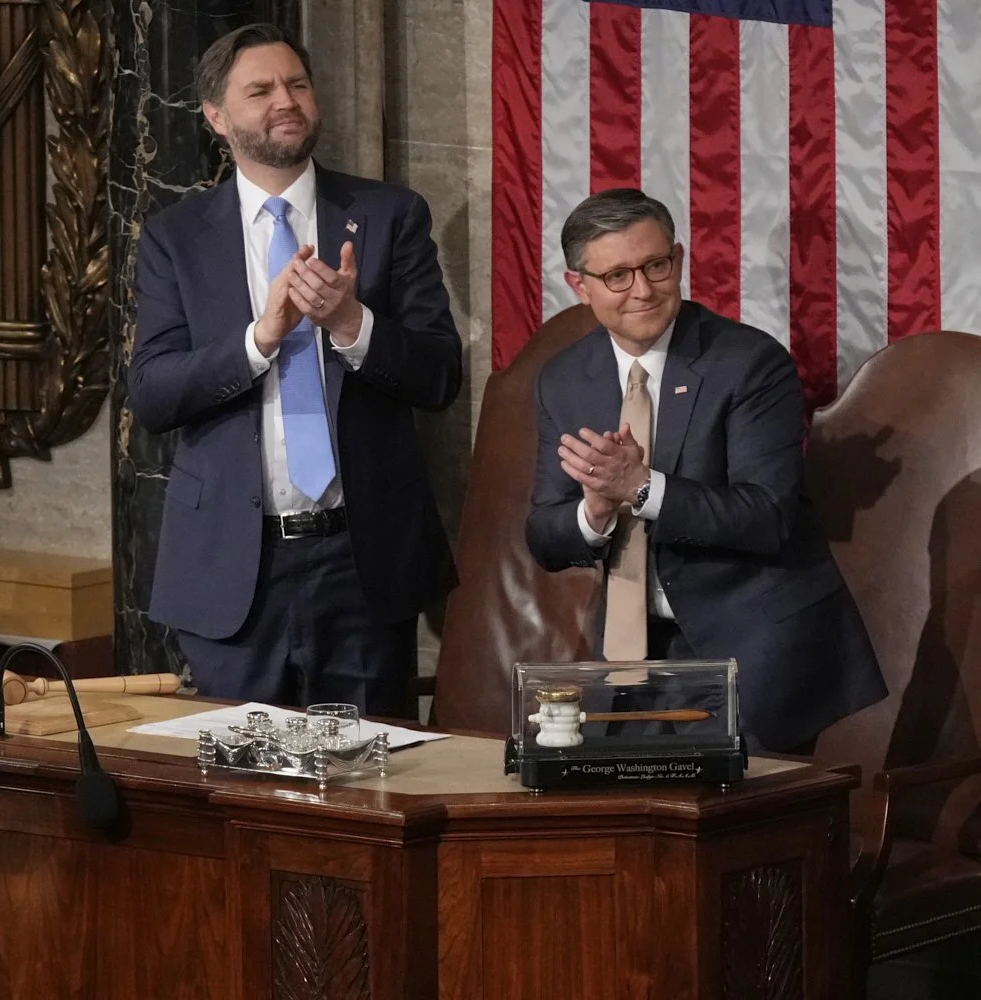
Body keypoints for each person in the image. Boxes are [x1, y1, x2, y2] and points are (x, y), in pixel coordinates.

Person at [128, 23, 462, 717]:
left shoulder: (388, 214)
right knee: (234, 794)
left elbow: (438, 377)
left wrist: (351, 324)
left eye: (298, 84)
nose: (287, 100)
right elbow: (154, 394)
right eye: (261, 90)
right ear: (217, 117)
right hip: (232, 571)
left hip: (360, 562)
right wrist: (260, 337)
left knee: (371, 789)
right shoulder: (175, 237)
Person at [525, 188, 887, 753]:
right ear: (580, 286)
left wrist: (639, 488)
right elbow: (545, 535)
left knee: (735, 834)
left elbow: (766, 515)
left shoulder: (748, 362)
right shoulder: (564, 379)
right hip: (631, 656)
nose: (642, 290)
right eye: (618, 275)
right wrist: (593, 511)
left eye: (656, 266)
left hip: (751, 645)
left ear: (680, 259)